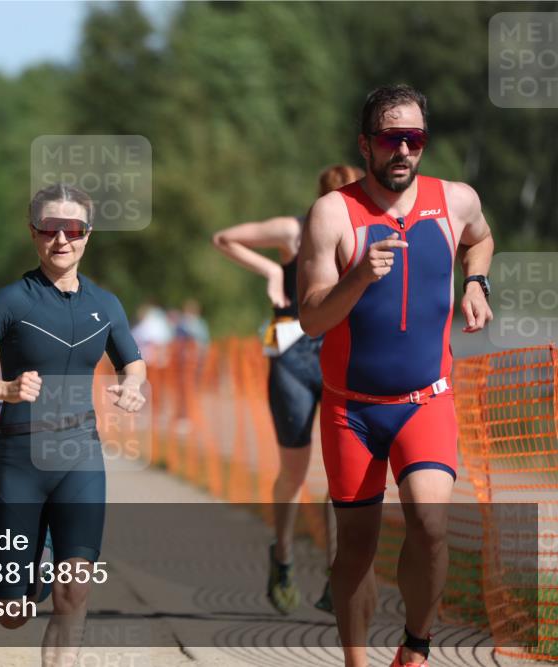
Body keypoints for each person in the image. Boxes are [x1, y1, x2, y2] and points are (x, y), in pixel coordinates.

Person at [298, 85, 494, 667]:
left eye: (415, 139)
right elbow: (311, 319)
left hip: (425, 402)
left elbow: (480, 240)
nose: (404, 150)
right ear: (366, 145)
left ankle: (416, 644)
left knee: (431, 524)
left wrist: (477, 283)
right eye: (391, 139)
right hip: (350, 409)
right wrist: (357, 278)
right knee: (356, 549)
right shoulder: (334, 212)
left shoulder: (455, 200)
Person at [0, 183, 147, 666]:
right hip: (19, 458)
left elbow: (132, 363)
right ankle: (32, 563)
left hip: (80, 455)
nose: (61, 240)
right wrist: (4, 390)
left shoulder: (107, 305)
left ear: (88, 235)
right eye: (50, 229)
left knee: (74, 592)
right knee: (13, 611)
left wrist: (133, 385)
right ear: (34, 234)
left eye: (72, 229)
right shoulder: (12, 301)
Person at [212, 164, 362, 615]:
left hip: (341, 358)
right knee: (294, 472)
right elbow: (225, 238)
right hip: (292, 357)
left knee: (344, 473)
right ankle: (282, 556)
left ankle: (340, 574)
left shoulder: (366, 230)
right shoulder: (294, 230)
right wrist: (272, 273)